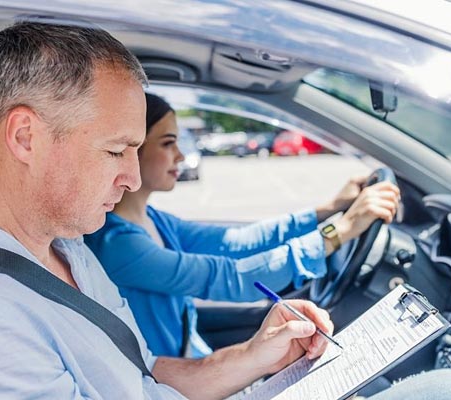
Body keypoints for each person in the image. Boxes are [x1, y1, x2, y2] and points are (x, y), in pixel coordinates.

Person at [0, 22, 451, 400]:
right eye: (117, 149)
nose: (134, 176)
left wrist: (250, 359)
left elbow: (138, 374)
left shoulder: (60, 248)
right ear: (25, 137)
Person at [85, 92, 401, 358]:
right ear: (132, 150)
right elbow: (230, 279)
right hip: (168, 380)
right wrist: (341, 231)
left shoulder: (153, 219)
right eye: (168, 143)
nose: (181, 155)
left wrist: (329, 210)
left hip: (191, 355)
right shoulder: (117, 243)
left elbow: (238, 240)